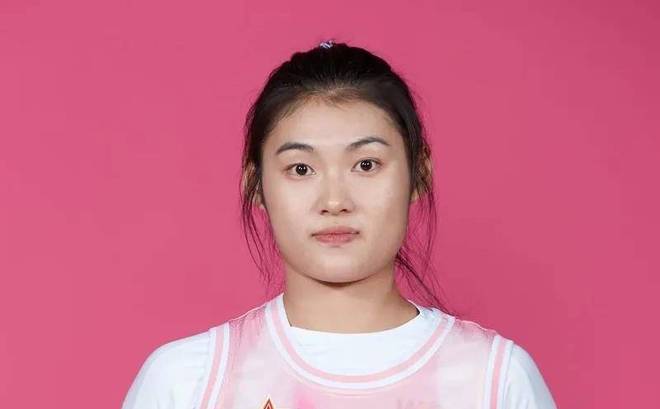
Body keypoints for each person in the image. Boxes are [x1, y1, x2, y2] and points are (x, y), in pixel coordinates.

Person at [121, 40, 557, 409]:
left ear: (419, 175)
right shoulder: (187, 382)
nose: (334, 201)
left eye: (366, 164)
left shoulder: (494, 379)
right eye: (301, 169)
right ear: (256, 185)